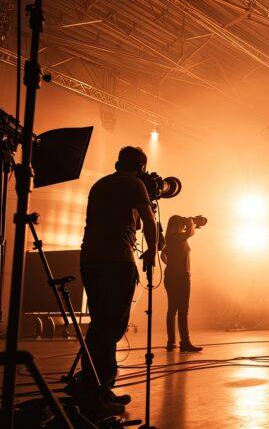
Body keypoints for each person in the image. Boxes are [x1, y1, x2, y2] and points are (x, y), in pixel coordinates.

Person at [78, 146, 158, 417]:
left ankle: (97, 388)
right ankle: (96, 395)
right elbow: (148, 223)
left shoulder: (101, 184)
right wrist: (152, 250)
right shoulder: (135, 184)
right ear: (142, 167)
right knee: (112, 327)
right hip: (116, 262)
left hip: (90, 259)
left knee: (100, 323)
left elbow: (126, 222)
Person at [162, 215, 202, 352]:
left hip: (172, 276)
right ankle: (184, 342)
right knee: (182, 310)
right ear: (177, 225)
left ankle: (171, 342)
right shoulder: (177, 237)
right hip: (181, 277)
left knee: (172, 309)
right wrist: (191, 220)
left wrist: (171, 264)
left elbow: (163, 255)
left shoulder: (171, 238)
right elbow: (190, 232)